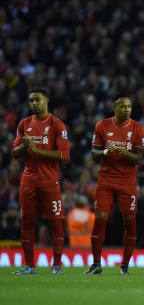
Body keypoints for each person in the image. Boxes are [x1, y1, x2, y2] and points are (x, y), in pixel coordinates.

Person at [85, 92, 144, 275]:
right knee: (99, 221)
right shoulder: (102, 126)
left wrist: (124, 153)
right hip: (106, 179)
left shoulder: (137, 128)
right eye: (122, 106)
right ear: (114, 107)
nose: (127, 110)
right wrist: (105, 152)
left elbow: (138, 159)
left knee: (130, 223)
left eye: (129, 107)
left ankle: (125, 266)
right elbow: (94, 154)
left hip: (128, 181)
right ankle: (96, 264)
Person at [12, 89, 70, 275]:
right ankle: (30, 266)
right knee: (26, 223)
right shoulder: (24, 124)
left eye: (37, 100)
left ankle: (57, 266)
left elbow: (64, 154)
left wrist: (38, 151)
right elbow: (15, 153)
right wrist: (24, 146)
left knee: (55, 223)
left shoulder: (57, 125)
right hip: (28, 182)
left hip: (49, 183)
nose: (33, 103)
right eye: (31, 100)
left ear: (46, 100)